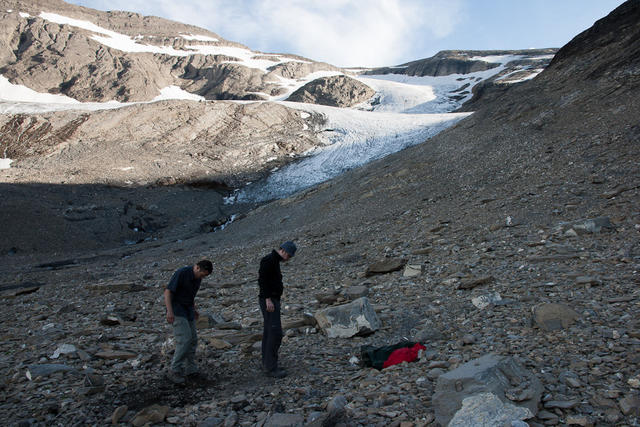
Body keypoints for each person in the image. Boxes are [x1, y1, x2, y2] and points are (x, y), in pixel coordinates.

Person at [164, 259, 213, 384]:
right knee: (184, 339)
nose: (202, 278)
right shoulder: (182, 273)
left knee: (193, 340)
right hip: (177, 310)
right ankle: (174, 370)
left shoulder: (198, 279)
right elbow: (168, 291)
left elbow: (190, 295)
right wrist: (169, 311)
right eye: (202, 275)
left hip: (188, 310)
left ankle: (191, 369)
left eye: (205, 276)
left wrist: (194, 309)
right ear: (197, 268)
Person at [258, 241, 297, 378]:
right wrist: (268, 299)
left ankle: (267, 363)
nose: (289, 259)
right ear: (285, 252)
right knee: (275, 333)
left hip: (272, 300)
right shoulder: (268, 260)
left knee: (269, 331)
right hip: (269, 301)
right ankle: (271, 367)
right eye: (290, 256)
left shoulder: (274, 261)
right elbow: (262, 281)